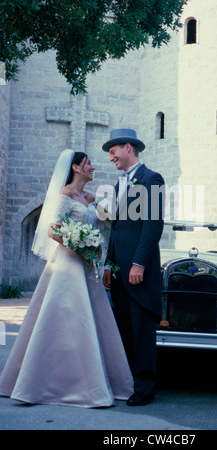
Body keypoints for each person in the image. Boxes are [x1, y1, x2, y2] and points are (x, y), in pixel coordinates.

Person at [0, 149, 133, 408]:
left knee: (92, 321)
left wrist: (95, 248)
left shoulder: (90, 197)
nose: (93, 167)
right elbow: (52, 229)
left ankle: (99, 381)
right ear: (76, 168)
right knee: (64, 319)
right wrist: (81, 246)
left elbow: (105, 226)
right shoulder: (64, 196)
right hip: (67, 264)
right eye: (89, 163)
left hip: (88, 267)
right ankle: (49, 383)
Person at [102, 129, 165, 407]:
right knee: (125, 329)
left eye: (113, 151)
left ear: (128, 147)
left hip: (139, 271)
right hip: (118, 272)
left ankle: (144, 388)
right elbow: (116, 230)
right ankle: (128, 384)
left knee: (141, 331)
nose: (111, 157)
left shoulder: (152, 179)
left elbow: (152, 227)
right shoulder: (118, 185)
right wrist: (108, 264)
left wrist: (139, 263)